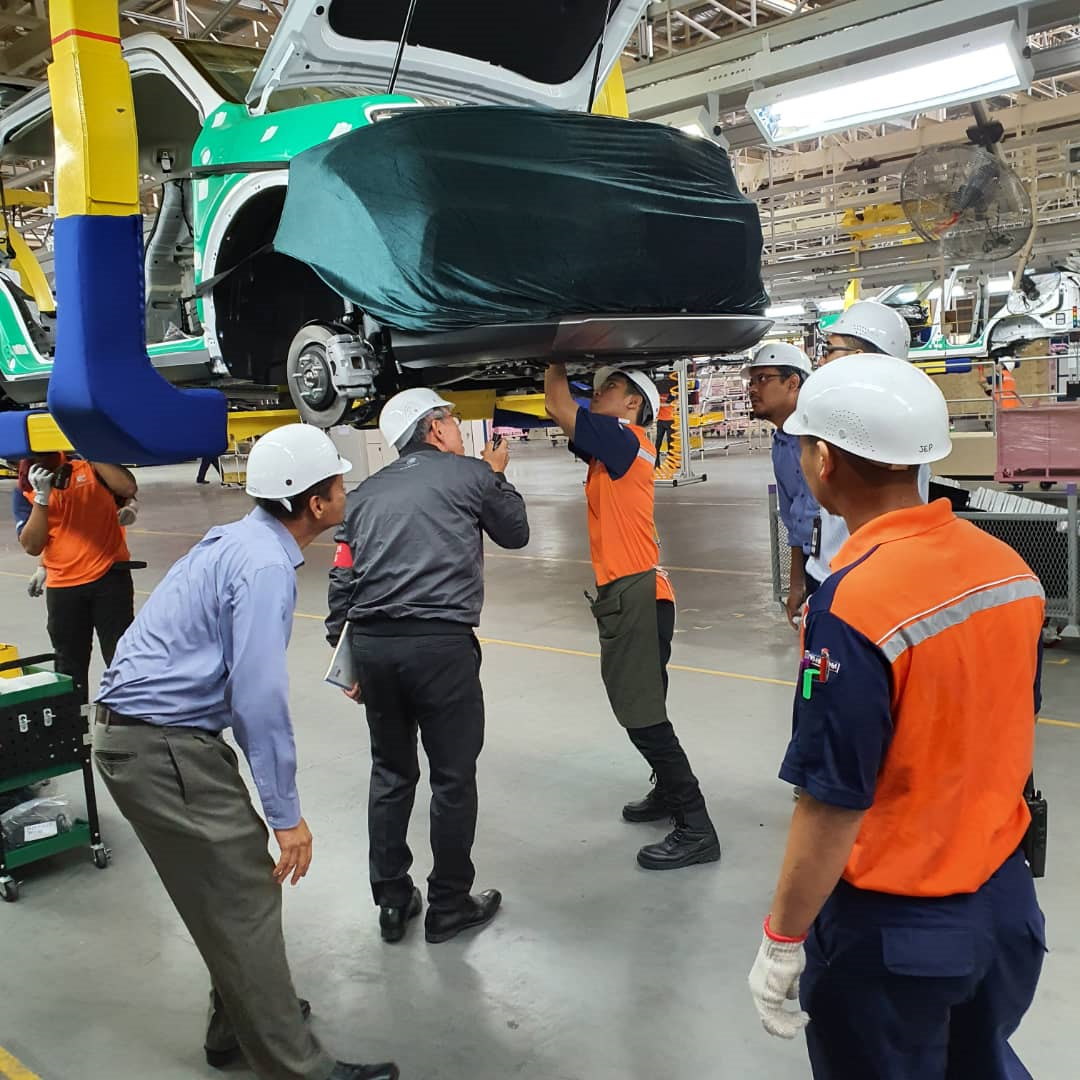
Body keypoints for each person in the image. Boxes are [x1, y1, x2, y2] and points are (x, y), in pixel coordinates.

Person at [748, 355, 1046, 1080]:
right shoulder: (1009, 568)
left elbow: (832, 799)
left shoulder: (854, 605)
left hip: (899, 936)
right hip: (1006, 909)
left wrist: (783, 938)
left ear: (823, 460)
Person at [94, 424, 398, 1080]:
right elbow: (257, 700)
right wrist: (286, 815)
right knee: (246, 897)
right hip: (160, 744)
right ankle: (296, 1067)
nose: (346, 492)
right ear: (315, 503)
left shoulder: (240, 540)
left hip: (150, 736)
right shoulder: (264, 567)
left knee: (229, 887)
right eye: (339, 484)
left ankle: (237, 1023)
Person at [326, 389, 529, 946]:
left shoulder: (364, 494)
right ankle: (449, 905)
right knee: (452, 778)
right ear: (434, 428)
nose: (459, 430)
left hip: (374, 647)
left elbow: (343, 576)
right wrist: (497, 475)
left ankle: (392, 902)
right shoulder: (472, 475)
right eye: (453, 422)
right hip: (441, 648)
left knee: (391, 774)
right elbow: (515, 533)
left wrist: (345, 654)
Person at [544, 362, 720, 870]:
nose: (598, 394)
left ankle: (696, 826)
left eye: (610, 388)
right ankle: (668, 793)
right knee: (646, 707)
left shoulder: (623, 438)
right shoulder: (616, 447)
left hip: (636, 595)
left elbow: (558, 404)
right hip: (641, 593)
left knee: (643, 718)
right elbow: (564, 417)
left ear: (633, 404)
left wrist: (552, 351)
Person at [18, 451, 138, 703]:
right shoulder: (27, 487)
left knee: (121, 655)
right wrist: (41, 499)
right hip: (64, 587)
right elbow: (32, 545)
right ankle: (73, 720)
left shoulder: (90, 469)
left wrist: (90, 447)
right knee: (69, 662)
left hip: (109, 577)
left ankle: (128, 715)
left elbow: (127, 488)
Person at [745, 342, 824, 628]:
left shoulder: (825, 437)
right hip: (813, 563)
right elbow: (793, 521)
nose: (753, 389)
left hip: (842, 563)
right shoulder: (780, 444)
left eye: (762, 379)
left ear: (793, 383)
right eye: (751, 382)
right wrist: (797, 584)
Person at [654, 389, 675, 468]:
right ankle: (656, 463)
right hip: (661, 420)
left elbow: (669, 404)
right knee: (658, 443)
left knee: (671, 443)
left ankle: (671, 463)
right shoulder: (657, 394)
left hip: (670, 420)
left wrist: (660, 404)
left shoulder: (672, 393)